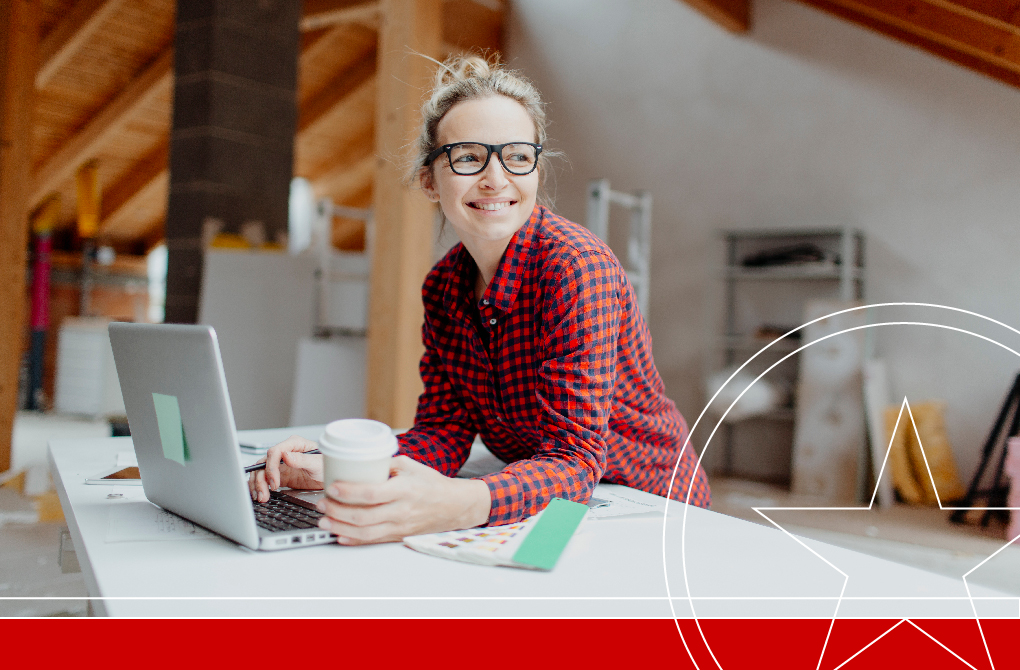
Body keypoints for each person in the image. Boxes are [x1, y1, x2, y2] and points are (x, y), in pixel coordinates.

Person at [249, 54, 709, 544]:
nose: (495, 178)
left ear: (536, 170)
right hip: (552, 498)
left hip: (648, 506)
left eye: (516, 156)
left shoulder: (577, 268)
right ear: (430, 180)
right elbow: (443, 431)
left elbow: (574, 461)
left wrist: (458, 504)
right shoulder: (445, 286)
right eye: (468, 157)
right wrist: (331, 467)